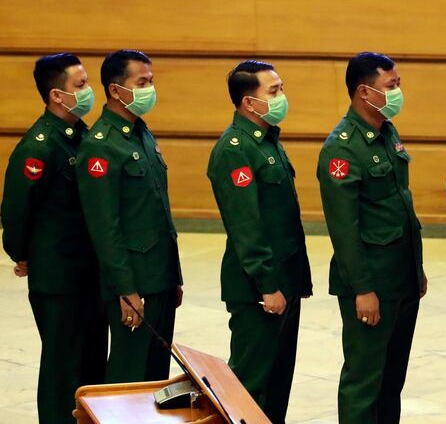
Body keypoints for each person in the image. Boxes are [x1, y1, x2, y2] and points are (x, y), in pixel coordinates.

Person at [316, 52, 427, 423]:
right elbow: (344, 229)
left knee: (391, 379)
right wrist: (362, 289)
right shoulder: (342, 149)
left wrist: (417, 269)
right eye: (391, 86)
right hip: (371, 282)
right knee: (365, 380)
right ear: (365, 92)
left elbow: (400, 208)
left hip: (400, 278)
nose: (398, 92)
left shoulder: (386, 132)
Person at [1, 53, 106, 423]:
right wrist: (21, 252)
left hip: (89, 273)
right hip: (59, 277)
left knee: (93, 365)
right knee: (63, 370)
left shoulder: (82, 137)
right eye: (80, 85)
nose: (89, 91)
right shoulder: (39, 147)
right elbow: (16, 211)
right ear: (56, 96)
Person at [207, 60, 313, 422]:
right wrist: (267, 285)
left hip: (284, 281)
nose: (282, 97)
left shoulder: (267, 142)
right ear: (249, 103)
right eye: (274, 91)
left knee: (278, 382)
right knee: (250, 386)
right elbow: (246, 226)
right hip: (258, 288)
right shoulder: (235, 149)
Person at [76, 49, 182, 383]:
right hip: (134, 282)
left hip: (159, 277)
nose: (150, 88)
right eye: (142, 82)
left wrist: (174, 276)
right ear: (115, 90)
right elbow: (104, 227)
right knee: (129, 374)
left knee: (154, 377)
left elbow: (159, 212)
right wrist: (126, 290)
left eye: (151, 81)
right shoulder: (101, 146)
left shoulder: (141, 133)